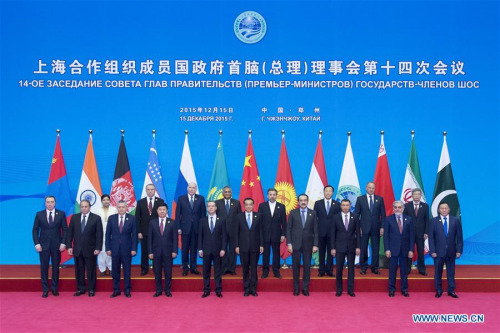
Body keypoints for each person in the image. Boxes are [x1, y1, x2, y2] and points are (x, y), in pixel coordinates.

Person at [32, 196, 68, 298]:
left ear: (55, 203)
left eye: (52, 202)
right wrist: (37, 243)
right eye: (48, 202)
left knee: (56, 268)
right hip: (43, 246)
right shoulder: (39, 214)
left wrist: (63, 243)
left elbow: (65, 229)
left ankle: (54, 289)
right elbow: (35, 230)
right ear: (45, 203)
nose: (50, 204)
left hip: (57, 246)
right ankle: (45, 290)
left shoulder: (61, 214)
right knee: (44, 268)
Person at [67, 200, 103, 297]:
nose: (83, 208)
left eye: (85, 206)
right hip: (77, 249)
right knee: (79, 270)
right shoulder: (74, 218)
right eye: (82, 206)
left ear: (89, 207)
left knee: (91, 270)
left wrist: (98, 248)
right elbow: (70, 233)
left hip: (91, 249)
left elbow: (99, 235)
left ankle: (91, 289)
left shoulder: (96, 218)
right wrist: (69, 246)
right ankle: (80, 289)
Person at [428, 202, 463, 298]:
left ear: (449, 209)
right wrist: (432, 251)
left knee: (451, 272)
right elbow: (431, 238)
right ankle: (438, 290)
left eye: (445, 208)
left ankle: (451, 290)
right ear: (439, 210)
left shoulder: (455, 220)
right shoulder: (434, 221)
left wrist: (459, 250)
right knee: (437, 272)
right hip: (438, 252)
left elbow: (459, 237)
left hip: (452, 251)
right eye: (442, 208)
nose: (444, 210)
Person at [286, 194, 318, 296]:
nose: (303, 202)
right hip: (295, 244)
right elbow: (289, 229)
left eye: (305, 200)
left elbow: (316, 231)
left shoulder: (313, 213)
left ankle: (305, 288)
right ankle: (296, 288)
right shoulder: (293, 213)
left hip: (308, 245)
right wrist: (289, 244)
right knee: (295, 267)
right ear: (298, 202)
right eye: (301, 200)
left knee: (307, 267)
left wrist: (315, 244)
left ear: (307, 201)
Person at [106, 200, 138, 298]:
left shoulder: (132, 218)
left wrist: (134, 248)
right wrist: (108, 248)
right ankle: (116, 290)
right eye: (119, 207)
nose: (121, 209)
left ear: (126, 207)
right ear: (117, 208)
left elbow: (134, 235)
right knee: (115, 271)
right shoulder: (111, 218)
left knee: (127, 270)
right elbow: (108, 235)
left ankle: (127, 290)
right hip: (114, 248)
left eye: (123, 207)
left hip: (127, 249)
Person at [383, 201, 414, 297]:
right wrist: (387, 249)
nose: (397, 209)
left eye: (399, 207)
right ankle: (391, 289)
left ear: (403, 208)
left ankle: (404, 289)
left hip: (405, 250)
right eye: (395, 207)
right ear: (393, 208)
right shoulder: (388, 219)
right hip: (392, 250)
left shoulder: (409, 219)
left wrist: (411, 250)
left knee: (404, 271)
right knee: (392, 270)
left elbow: (412, 236)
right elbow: (386, 236)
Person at [355, 181, 386, 275]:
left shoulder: (379, 199)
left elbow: (383, 215)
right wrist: (358, 227)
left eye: (373, 188)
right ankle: (363, 267)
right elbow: (357, 215)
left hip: (376, 228)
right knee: (363, 248)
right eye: (370, 187)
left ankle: (374, 267)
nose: (371, 189)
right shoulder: (360, 199)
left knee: (375, 248)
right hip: (363, 228)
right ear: (366, 188)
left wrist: (382, 227)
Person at [331, 199, 360, 297]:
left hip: (352, 247)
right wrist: (333, 248)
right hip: (339, 247)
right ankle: (339, 290)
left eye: (347, 205)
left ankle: (350, 290)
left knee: (351, 269)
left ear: (350, 205)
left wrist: (358, 247)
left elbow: (358, 234)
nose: (345, 207)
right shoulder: (335, 217)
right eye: (343, 205)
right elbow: (333, 234)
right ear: (340, 206)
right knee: (339, 269)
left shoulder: (355, 217)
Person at [175, 182, 206, 276]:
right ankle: (185, 267)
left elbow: (203, 215)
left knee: (194, 249)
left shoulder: (201, 198)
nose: (192, 189)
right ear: (187, 188)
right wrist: (178, 227)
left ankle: (193, 268)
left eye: (194, 187)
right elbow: (177, 214)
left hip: (196, 229)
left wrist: (202, 228)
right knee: (184, 249)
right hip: (184, 228)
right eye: (190, 187)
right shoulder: (181, 199)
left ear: (196, 189)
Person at [235, 198, 263, 297]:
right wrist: (237, 245)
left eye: (250, 204)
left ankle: (253, 289)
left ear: (253, 205)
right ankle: (246, 288)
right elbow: (236, 233)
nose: (248, 206)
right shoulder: (239, 216)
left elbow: (261, 231)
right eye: (246, 204)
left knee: (254, 268)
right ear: (244, 205)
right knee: (245, 268)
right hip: (243, 247)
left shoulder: (258, 216)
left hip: (255, 247)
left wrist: (261, 245)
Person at [148, 203, 177, 297]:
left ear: (167, 211)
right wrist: (150, 252)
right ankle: (158, 290)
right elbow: (150, 239)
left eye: (163, 209)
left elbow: (175, 238)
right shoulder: (152, 222)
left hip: (168, 252)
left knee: (168, 272)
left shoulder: (172, 222)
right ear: (157, 211)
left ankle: (168, 290)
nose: (162, 211)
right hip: (156, 252)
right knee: (157, 272)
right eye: (160, 209)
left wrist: (174, 251)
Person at [136, 184, 166, 275]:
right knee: (144, 250)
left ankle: (156, 268)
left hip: (157, 231)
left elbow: (162, 216)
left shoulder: (160, 201)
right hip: (144, 231)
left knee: (156, 250)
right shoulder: (140, 202)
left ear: (154, 190)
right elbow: (137, 218)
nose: (150, 191)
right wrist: (139, 231)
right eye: (148, 189)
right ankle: (144, 269)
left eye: (152, 189)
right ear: (146, 190)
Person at [198, 201, 227, 298]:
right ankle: (206, 290)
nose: (210, 208)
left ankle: (218, 290)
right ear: (207, 208)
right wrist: (200, 249)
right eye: (209, 206)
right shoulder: (202, 220)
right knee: (206, 271)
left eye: (212, 206)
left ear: (216, 208)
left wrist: (223, 249)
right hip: (205, 249)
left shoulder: (221, 220)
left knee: (218, 271)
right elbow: (200, 236)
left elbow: (224, 236)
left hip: (218, 250)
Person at [258, 188, 286, 279]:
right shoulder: (262, 206)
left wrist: (283, 234)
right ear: (267, 195)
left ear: (276, 195)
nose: (272, 196)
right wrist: (260, 235)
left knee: (276, 254)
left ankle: (276, 271)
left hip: (276, 234)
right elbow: (259, 222)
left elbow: (284, 222)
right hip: (265, 235)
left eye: (274, 194)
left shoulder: (281, 206)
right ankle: (265, 271)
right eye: (270, 194)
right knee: (265, 254)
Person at [314, 185, 341, 277]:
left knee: (331, 252)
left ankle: (329, 270)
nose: (328, 193)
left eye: (330, 191)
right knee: (321, 252)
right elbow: (315, 219)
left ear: (332, 193)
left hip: (332, 233)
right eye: (326, 191)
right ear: (324, 192)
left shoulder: (337, 204)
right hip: (320, 232)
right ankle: (321, 270)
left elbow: (338, 219)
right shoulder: (318, 203)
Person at [403, 188, 430, 275]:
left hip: (421, 233)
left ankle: (422, 269)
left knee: (421, 252)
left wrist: (426, 232)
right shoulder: (407, 206)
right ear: (412, 196)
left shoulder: (425, 206)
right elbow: (404, 220)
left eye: (419, 194)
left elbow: (427, 220)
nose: (417, 196)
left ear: (420, 196)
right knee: (408, 251)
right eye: (415, 194)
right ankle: (407, 269)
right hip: (409, 233)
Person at [215, 186, 241, 276]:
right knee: (223, 249)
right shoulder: (217, 203)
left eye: (229, 192)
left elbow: (239, 218)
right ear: (222, 193)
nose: (227, 193)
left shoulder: (237, 203)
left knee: (233, 250)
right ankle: (224, 268)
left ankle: (232, 268)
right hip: (221, 231)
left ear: (231, 193)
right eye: (225, 192)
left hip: (233, 231)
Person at [97, 194, 117, 277]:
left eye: (107, 200)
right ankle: (102, 269)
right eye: (104, 200)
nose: (106, 201)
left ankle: (111, 268)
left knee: (110, 251)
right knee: (101, 252)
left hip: (111, 233)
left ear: (110, 201)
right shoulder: (97, 210)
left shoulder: (114, 209)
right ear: (101, 201)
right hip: (100, 233)